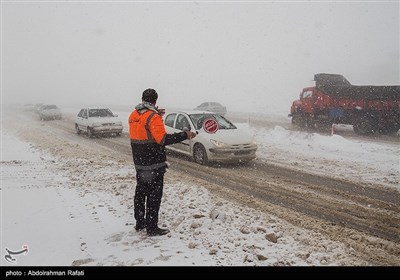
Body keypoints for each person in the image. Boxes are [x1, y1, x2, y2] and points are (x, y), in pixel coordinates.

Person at [129, 88, 196, 236]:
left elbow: (143, 129)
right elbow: (163, 139)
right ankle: (152, 227)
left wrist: (155, 113)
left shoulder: (133, 115)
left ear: (142, 99)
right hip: (154, 162)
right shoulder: (153, 117)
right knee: (154, 195)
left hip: (139, 162)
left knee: (140, 193)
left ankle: (140, 223)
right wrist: (185, 135)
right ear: (155, 100)